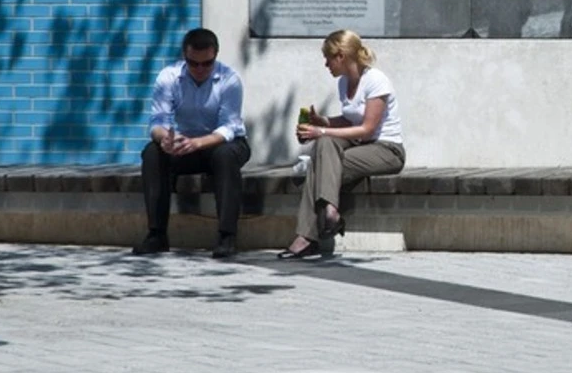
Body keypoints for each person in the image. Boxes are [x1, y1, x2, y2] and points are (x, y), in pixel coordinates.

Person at [278, 30, 405, 260]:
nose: (326, 64)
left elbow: (367, 129)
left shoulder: (376, 80)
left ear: (341, 56)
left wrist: (322, 130)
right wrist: (322, 123)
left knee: (320, 164)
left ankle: (307, 237)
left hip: (386, 149)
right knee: (324, 147)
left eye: (328, 58)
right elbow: (350, 120)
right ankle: (330, 213)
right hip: (360, 146)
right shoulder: (344, 83)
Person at [132, 28, 251, 259]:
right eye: (193, 63)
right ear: (184, 58)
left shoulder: (230, 80)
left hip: (222, 143)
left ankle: (227, 235)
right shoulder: (168, 77)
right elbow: (157, 122)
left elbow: (229, 127)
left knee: (225, 156)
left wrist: (198, 143)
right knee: (152, 154)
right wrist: (165, 139)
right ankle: (157, 234)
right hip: (185, 144)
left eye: (206, 64)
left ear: (215, 56)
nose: (199, 70)